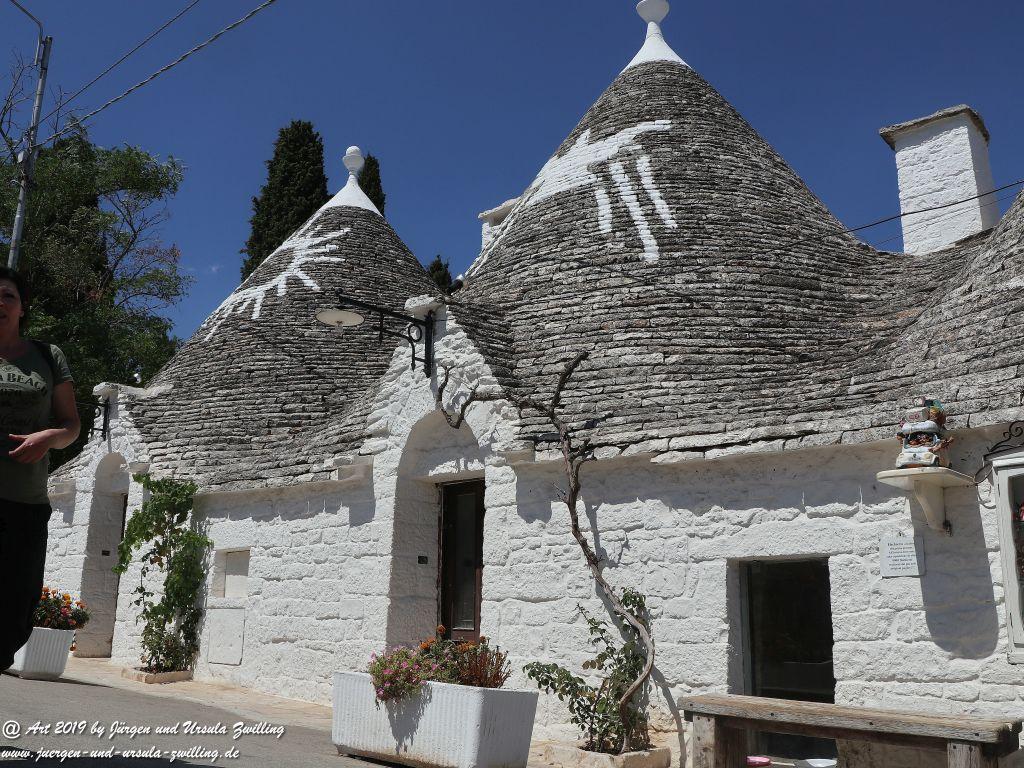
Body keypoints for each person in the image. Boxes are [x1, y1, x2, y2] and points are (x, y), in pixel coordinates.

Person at [0, 266, 80, 671]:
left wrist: (48, 437)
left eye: (8, 295)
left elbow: (71, 426)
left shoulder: (48, 357)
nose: (0, 302)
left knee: (14, 614)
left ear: (21, 306)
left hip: (25, 504)